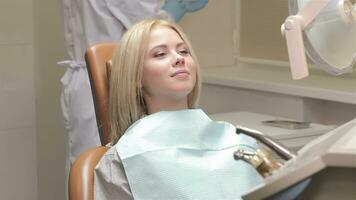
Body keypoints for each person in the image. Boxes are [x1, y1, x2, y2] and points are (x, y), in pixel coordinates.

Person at [94, 19, 263, 200]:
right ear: (135, 77)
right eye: (160, 54)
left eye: (183, 51)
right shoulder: (122, 160)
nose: (179, 58)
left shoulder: (240, 140)